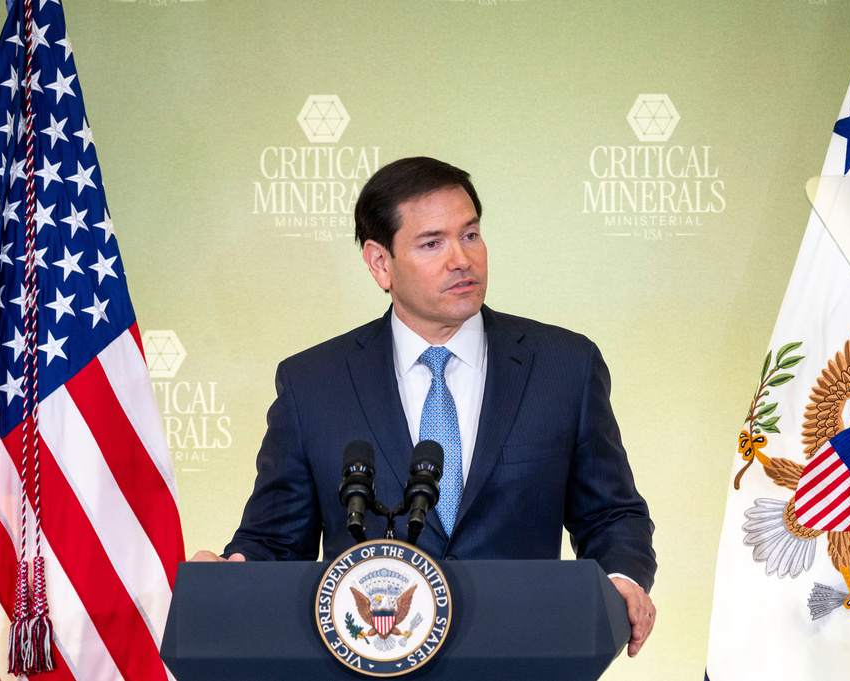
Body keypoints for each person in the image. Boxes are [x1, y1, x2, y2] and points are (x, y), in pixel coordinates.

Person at [190, 157, 657, 656]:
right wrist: (233, 574)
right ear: (379, 263)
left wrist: (622, 578)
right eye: (432, 243)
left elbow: (611, 513)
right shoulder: (313, 384)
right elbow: (278, 542)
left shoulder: (564, 366)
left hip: (525, 656)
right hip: (372, 661)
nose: (461, 259)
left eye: (470, 235)